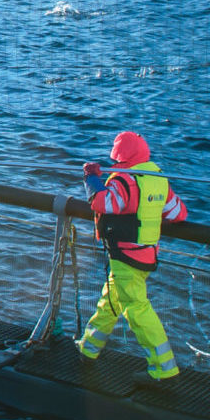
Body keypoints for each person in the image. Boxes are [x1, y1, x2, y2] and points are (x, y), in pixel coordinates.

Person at [77, 130, 187, 380]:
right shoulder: (157, 178)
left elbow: (102, 203)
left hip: (125, 254)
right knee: (112, 300)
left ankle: (164, 370)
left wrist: (91, 178)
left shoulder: (123, 180)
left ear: (120, 157)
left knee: (137, 309)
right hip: (146, 254)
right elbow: (178, 213)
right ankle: (88, 349)